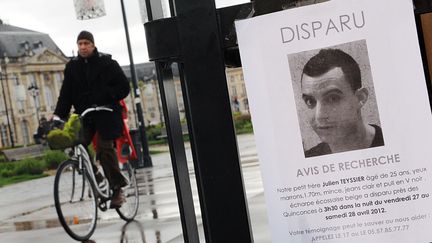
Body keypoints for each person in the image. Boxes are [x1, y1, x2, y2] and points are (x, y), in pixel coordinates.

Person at [53, 30, 130, 208]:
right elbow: (66, 95)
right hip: (86, 115)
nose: (83, 47)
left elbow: (124, 87)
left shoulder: (107, 63)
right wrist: (58, 116)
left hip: (107, 114)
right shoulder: (72, 67)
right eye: (80, 44)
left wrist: (106, 95)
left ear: (93, 45)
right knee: (74, 145)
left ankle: (117, 188)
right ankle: (98, 178)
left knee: (104, 149)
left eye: (86, 43)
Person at [301, 48, 384, 158]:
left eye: (332, 99)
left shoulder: (394, 143)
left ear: (360, 98)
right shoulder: (309, 159)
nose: (319, 116)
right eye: (310, 101)